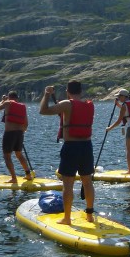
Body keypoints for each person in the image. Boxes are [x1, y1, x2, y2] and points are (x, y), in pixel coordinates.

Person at [40, 81, 95, 224]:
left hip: (71, 146)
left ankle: (67, 218)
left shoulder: (66, 104)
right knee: (87, 182)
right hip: (87, 146)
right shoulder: (89, 104)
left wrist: (47, 94)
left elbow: (43, 110)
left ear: (67, 91)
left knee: (68, 185)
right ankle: (89, 215)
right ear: (81, 91)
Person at [0, 91, 33, 184]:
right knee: (19, 154)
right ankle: (28, 175)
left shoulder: (8, 103)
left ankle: (13, 178)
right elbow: (26, 123)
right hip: (20, 133)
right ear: (17, 98)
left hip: (10, 133)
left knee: (7, 156)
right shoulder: (22, 106)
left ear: (9, 97)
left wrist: (2, 100)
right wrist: (21, 132)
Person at [106, 89, 130, 174]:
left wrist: (109, 128)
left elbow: (119, 121)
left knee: (129, 150)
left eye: (119, 96)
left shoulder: (124, 106)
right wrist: (118, 105)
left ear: (124, 96)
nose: (118, 97)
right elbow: (128, 110)